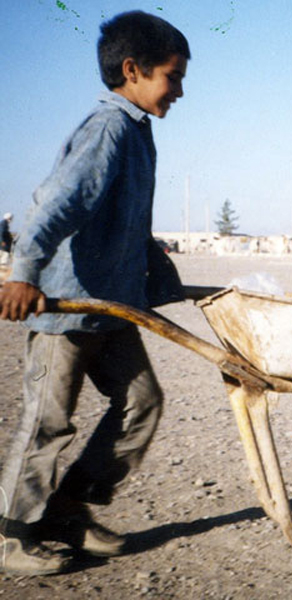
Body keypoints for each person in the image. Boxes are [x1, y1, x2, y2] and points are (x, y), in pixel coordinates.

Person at [0, 11, 190, 576]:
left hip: (111, 309)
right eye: (172, 77)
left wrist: (162, 278)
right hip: (66, 307)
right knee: (47, 423)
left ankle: (67, 511)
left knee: (141, 404)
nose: (180, 90)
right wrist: (23, 273)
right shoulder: (108, 129)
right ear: (132, 70)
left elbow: (128, 222)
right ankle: (11, 535)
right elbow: (58, 205)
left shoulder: (137, 133)